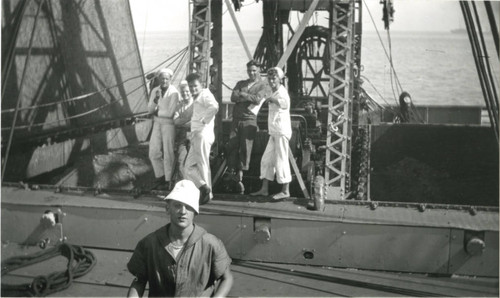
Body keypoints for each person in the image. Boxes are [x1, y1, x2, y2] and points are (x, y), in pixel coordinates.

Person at [127, 180, 233, 297]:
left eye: (188, 206)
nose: (183, 211)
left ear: (195, 211)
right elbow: (139, 281)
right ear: (167, 209)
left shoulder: (211, 244)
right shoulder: (149, 244)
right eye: (177, 205)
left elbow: (227, 278)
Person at [226, 60, 272, 194]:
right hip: (236, 119)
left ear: (259, 70)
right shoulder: (241, 83)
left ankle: (241, 174)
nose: (251, 73)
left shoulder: (264, 85)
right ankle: (231, 172)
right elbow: (233, 97)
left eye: (254, 70)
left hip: (249, 120)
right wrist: (245, 97)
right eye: (249, 71)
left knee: (246, 148)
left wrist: (243, 95)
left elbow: (257, 99)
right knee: (232, 145)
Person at [251, 67, 292, 200]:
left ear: (280, 80)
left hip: (281, 131)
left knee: (281, 160)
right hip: (273, 132)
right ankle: (264, 189)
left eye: (274, 78)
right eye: (270, 78)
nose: (272, 81)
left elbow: (285, 104)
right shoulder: (271, 91)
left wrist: (272, 100)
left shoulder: (282, 92)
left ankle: (285, 190)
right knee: (266, 160)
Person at [184, 73, 219, 204]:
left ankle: (207, 196)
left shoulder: (205, 94)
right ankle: (203, 187)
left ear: (202, 85)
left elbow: (215, 106)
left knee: (203, 165)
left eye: (195, 86)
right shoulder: (198, 96)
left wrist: (204, 120)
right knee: (188, 167)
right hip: (196, 134)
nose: (193, 89)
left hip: (203, 134)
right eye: (191, 86)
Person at [148, 68, 180, 190]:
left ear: (170, 79)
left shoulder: (174, 93)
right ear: (159, 79)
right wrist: (155, 102)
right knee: (153, 151)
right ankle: (160, 176)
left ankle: (168, 179)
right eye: (162, 79)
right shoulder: (155, 91)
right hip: (157, 123)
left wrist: (157, 112)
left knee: (168, 152)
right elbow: (150, 110)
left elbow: (171, 113)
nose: (164, 81)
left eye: (166, 79)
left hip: (168, 125)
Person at [172, 81, 194, 183]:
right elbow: (175, 121)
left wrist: (182, 121)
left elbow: (194, 122)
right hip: (182, 136)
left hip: (193, 136)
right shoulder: (179, 106)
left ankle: (193, 184)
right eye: (183, 92)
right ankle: (183, 184)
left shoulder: (195, 105)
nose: (185, 94)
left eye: (187, 91)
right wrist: (187, 121)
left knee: (192, 162)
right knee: (181, 161)